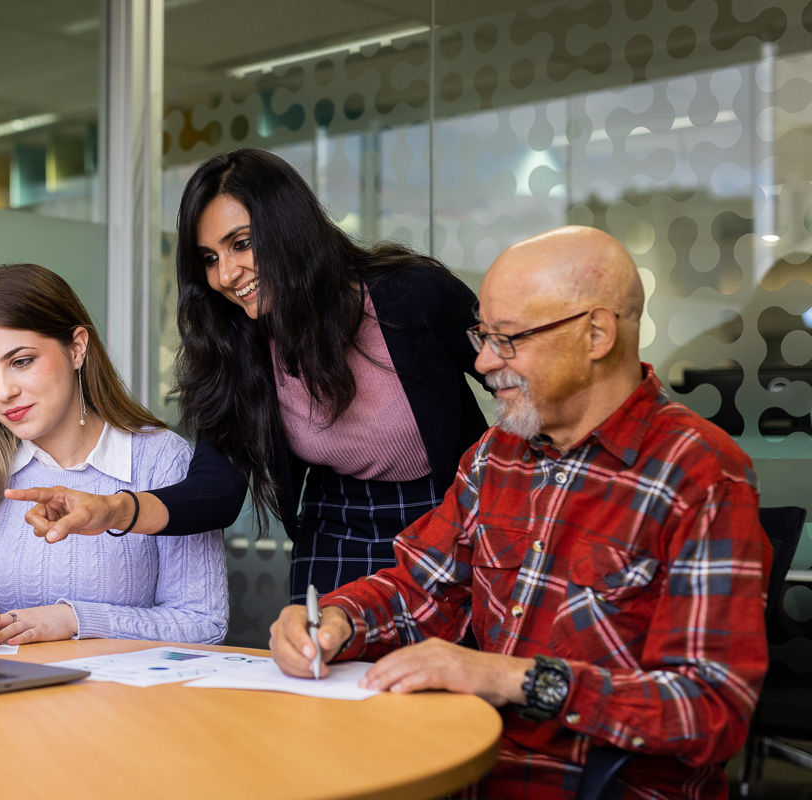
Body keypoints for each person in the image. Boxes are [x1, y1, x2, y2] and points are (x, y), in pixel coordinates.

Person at [269, 226, 772, 799]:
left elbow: (709, 711)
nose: (483, 361)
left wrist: (513, 679)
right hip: (464, 763)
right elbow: (419, 591)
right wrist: (336, 620)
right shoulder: (495, 456)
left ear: (597, 334)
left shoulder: (700, 473)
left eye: (508, 339)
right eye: (482, 335)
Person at [8, 149, 488, 602]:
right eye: (210, 259)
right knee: (327, 678)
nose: (226, 275)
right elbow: (215, 493)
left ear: (290, 229)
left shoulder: (412, 295)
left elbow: (524, 376)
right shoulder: (236, 347)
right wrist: (111, 510)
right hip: (338, 524)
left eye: (241, 244)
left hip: (450, 508)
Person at [0, 263, 227, 650]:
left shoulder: (160, 459)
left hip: (117, 705)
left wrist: (72, 620)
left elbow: (203, 623)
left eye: (21, 362)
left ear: (77, 348)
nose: (3, 392)